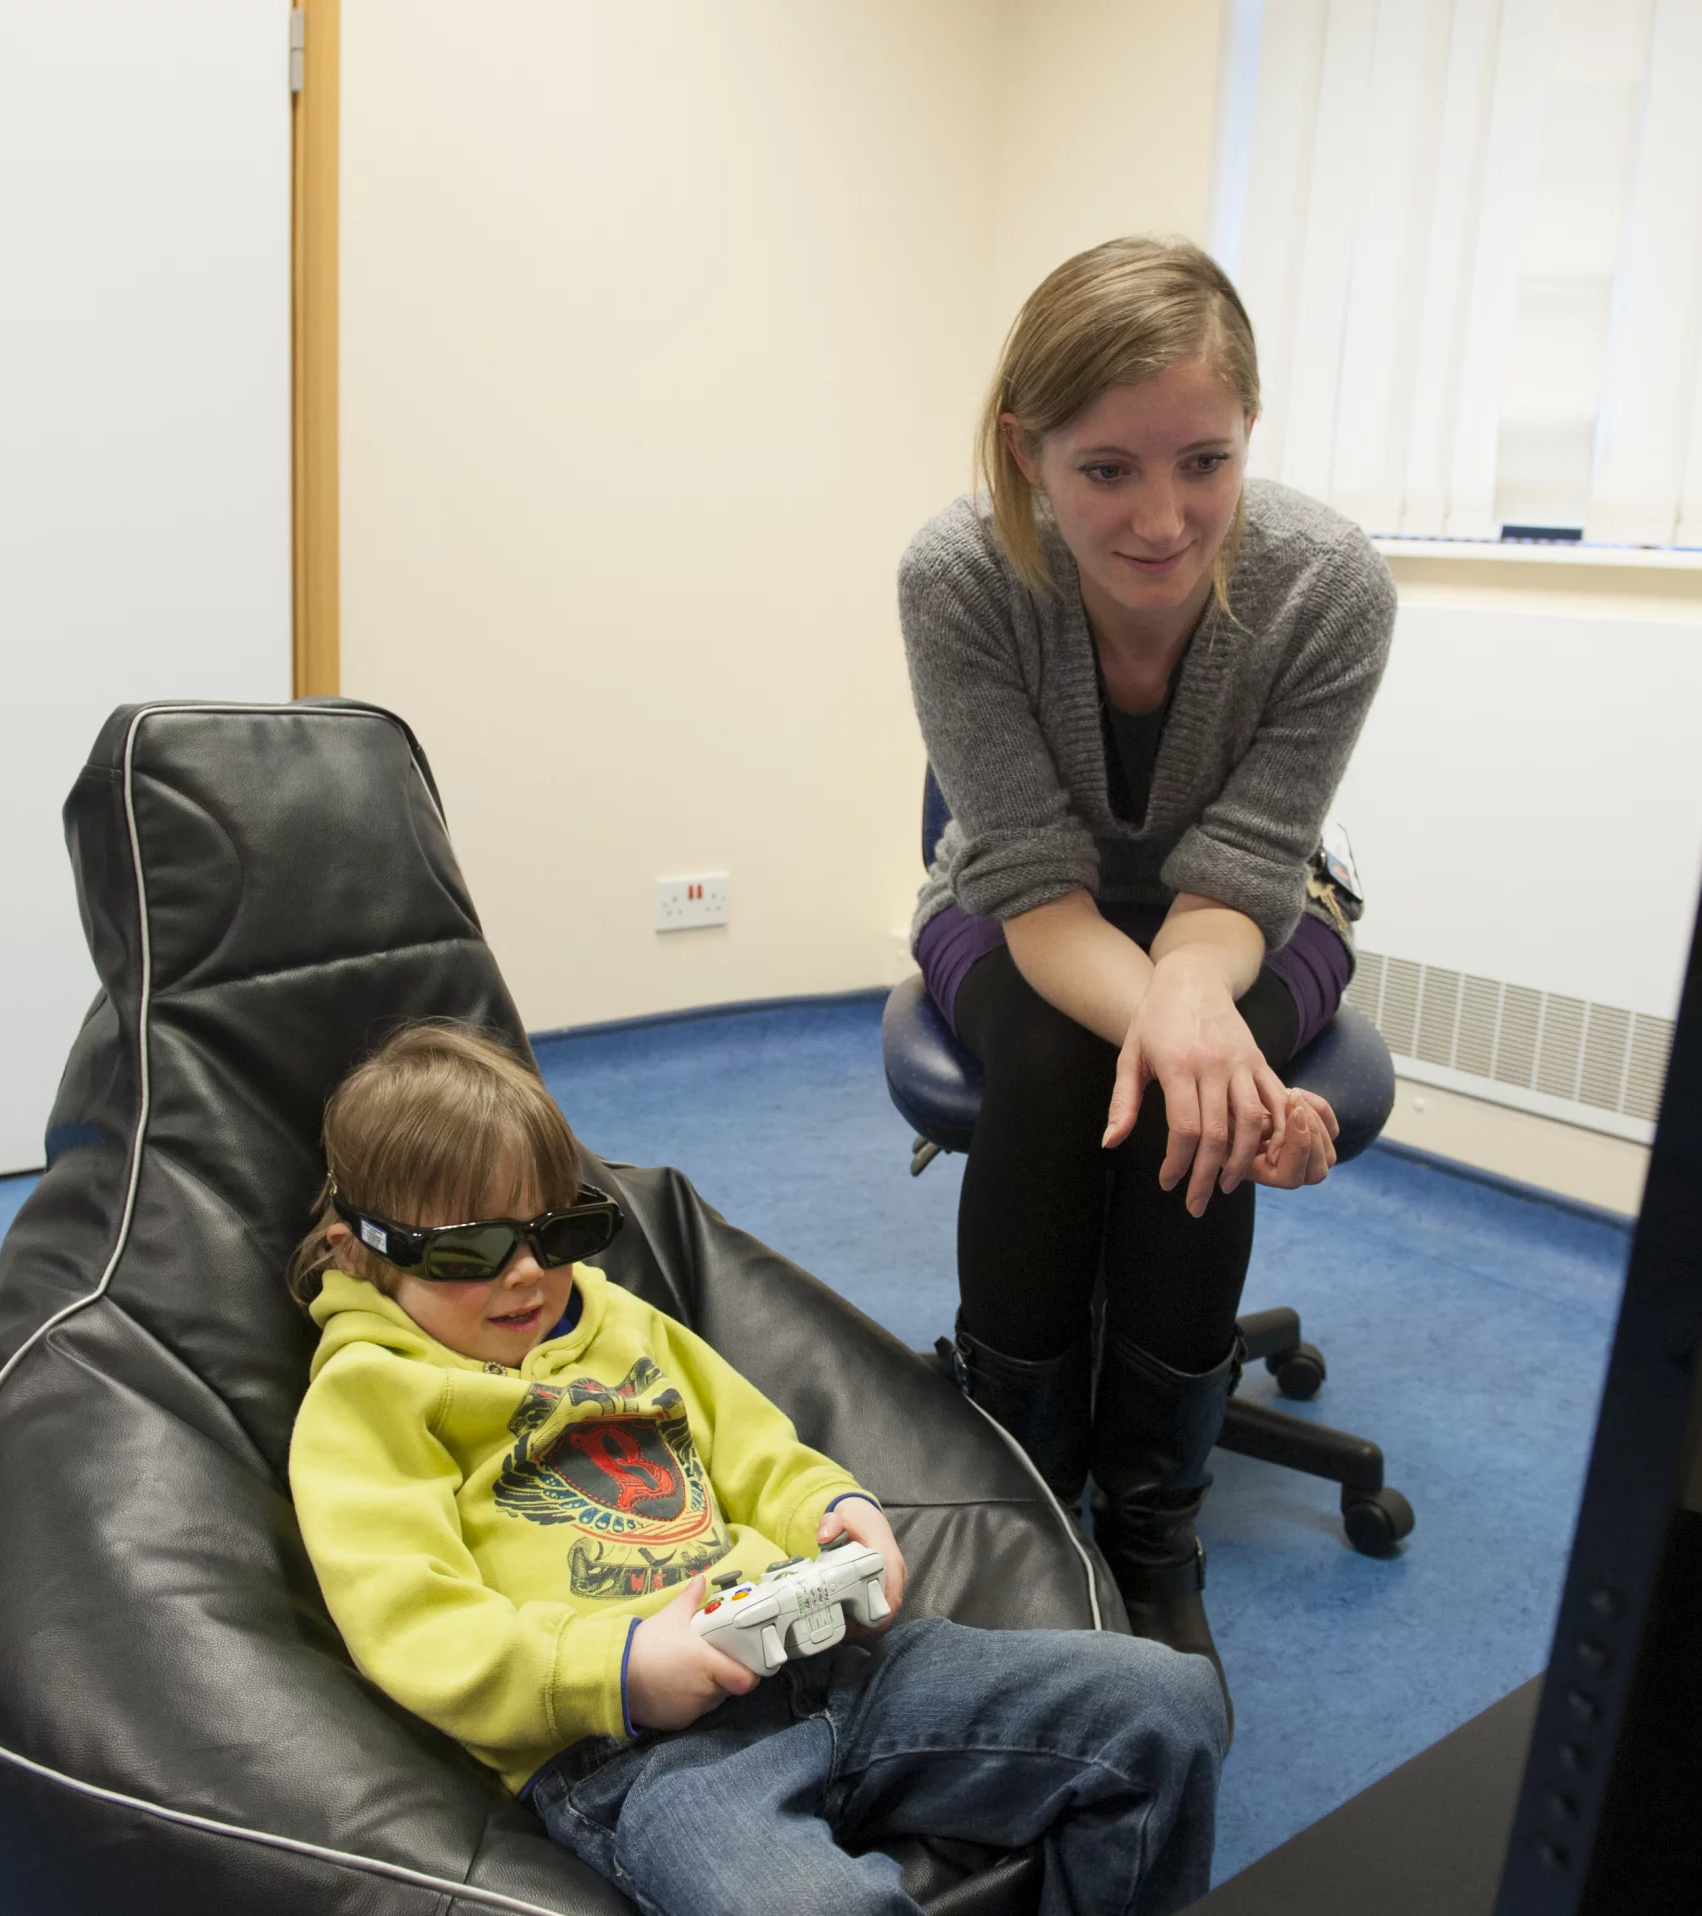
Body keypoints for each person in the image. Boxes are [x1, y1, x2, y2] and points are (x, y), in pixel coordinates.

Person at [286, 1023, 1228, 1916]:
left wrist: (831, 1508)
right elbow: (416, 1621)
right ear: (362, 1254)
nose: (527, 1275)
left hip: (822, 1657)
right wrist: (617, 1669)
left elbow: (755, 1451)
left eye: (557, 1233)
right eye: (472, 1251)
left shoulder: (625, 1324)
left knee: (1164, 1705)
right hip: (637, 1752)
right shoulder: (368, 1400)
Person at [903, 236, 1393, 1688]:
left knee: (1186, 1071)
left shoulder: (1329, 589)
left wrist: (1199, 1014)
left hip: (1261, 919)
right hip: (1008, 904)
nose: (1165, 519)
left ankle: (1154, 1532)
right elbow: (1042, 902)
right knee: (1072, 1051)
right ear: (1027, 452)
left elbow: (1242, 884)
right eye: (1108, 469)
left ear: (1249, 440)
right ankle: (1024, 1503)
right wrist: (1196, 1040)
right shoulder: (957, 577)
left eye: (1206, 462)